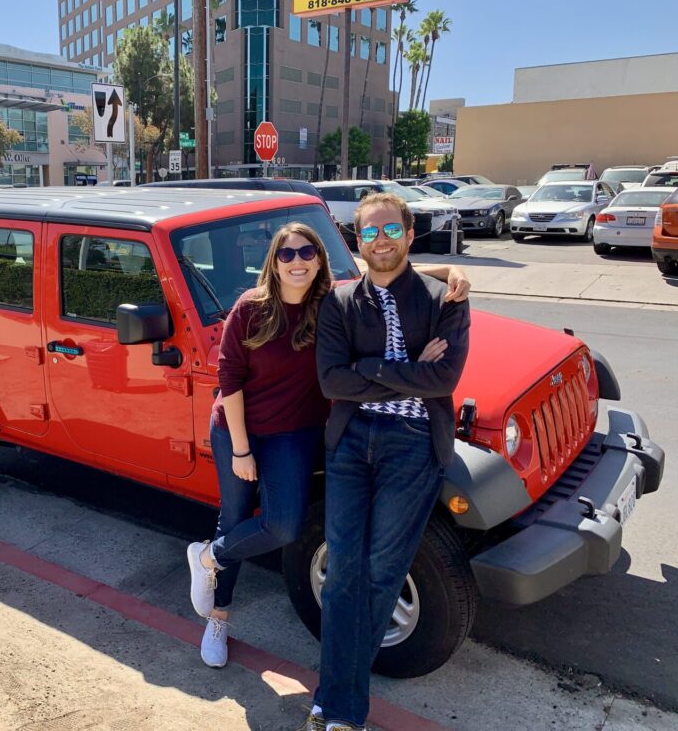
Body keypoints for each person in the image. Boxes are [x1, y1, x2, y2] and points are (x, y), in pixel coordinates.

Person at [186, 220, 470, 671]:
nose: (297, 261)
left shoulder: (331, 304)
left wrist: (449, 275)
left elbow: (384, 269)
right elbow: (229, 381)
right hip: (238, 428)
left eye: (307, 253)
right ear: (274, 262)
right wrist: (241, 450)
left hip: (295, 434)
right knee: (236, 516)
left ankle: (208, 556)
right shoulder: (252, 307)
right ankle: (218, 618)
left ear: (320, 260)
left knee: (282, 527)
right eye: (287, 254)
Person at [304, 192, 471, 731]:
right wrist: (400, 369)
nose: (381, 240)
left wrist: (366, 369)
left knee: (381, 576)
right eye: (370, 232)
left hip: (413, 444)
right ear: (356, 240)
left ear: (409, 235)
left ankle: (335, 709)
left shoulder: (445, 298)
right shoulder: (340, 302)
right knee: (342, 577)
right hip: (351, 443)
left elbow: (443, 379)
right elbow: (332, 381)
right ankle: (340, 706)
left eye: (391, 230)